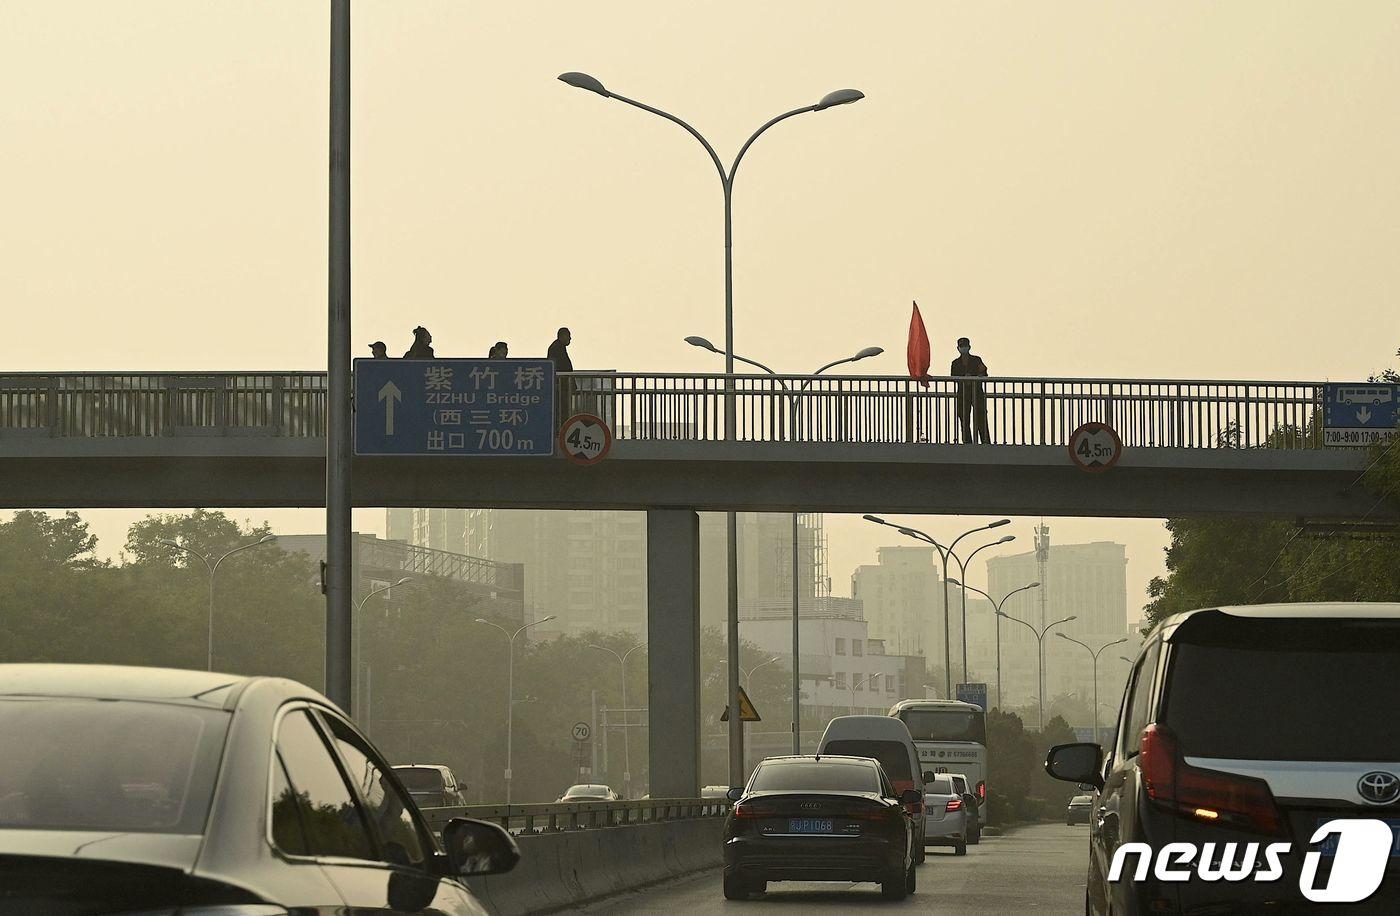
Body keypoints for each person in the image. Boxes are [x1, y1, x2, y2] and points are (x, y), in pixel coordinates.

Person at [951, 337, 990, 444]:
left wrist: (974, 377)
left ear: (969, 347)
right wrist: (964, 379)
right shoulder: (955, 363)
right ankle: (967, 442)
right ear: (958, 348)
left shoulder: (976, 360)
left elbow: (984, 373)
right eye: (962, 346)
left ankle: (985, 441)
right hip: (963, 394)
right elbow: (954, 378)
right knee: (964, 418)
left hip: (976, 392)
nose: (964, 348)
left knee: (981, 416)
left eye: (965, 346)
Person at [548, 327, 573, 418]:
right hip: (561, 386)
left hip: (562, 385)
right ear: (562, 336)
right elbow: (561, 367)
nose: (570, 338)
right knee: (561, 411)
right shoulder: (556, 348)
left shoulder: (558, 347)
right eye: (568, 336)